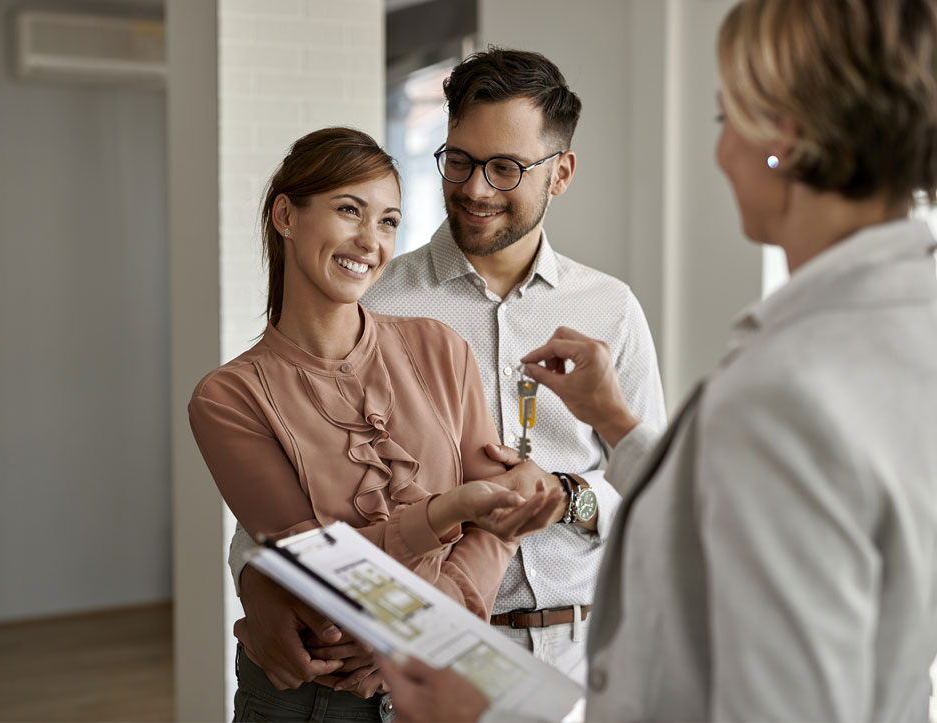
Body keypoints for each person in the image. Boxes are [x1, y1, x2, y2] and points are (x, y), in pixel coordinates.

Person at [379, 1, 937, 720]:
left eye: (727, 118)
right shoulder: (899, 328)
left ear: (787, 139)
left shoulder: (789, 382)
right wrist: (614, 419)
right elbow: (713, 522)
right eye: (461, 161)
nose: (721, 152)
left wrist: (478, 714)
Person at [228, 47, 667, 689]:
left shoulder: (611, 309)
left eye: (506, 168)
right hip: (417, 655)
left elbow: (651, 490)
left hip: (582, 649)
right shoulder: (374, 300)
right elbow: (286, 487)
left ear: (561, 172)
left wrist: (566, 496)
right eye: (459, 161)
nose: (476, 189)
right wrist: (253, 579)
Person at [188, 127, 561, 722]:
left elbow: (498, 525)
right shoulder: (229, 398)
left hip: (438, 681)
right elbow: (317, 570)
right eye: (348, 210)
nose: (370, 240)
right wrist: (445, 511)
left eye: (388, 221)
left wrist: (423, 634)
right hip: (311, 704)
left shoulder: (441, 348)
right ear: (286, 216)